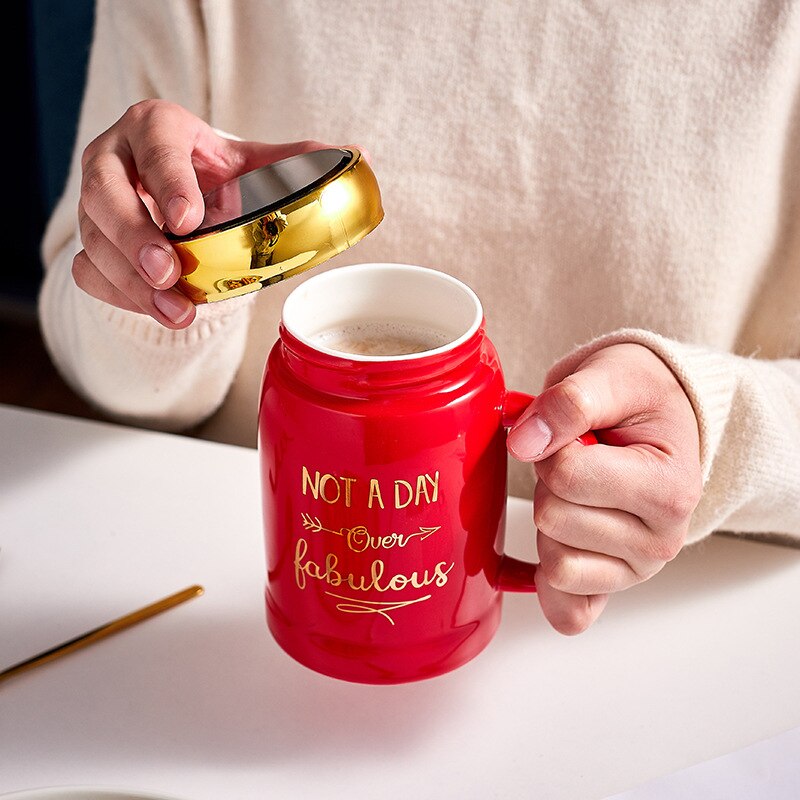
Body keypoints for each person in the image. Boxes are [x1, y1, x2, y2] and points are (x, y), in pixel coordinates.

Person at [39, 0, 800, 635]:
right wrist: (166, 283)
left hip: (678, 626)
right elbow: (93, 352)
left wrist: (721, 429)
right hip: (215, 611)